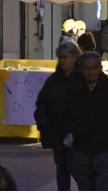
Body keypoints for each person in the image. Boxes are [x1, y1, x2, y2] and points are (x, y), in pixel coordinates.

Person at [66, 52, 108, 190]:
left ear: (100, 68)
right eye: (87, 68)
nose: (91, 72)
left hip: (106, 148)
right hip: (81, 148)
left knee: (103, 186)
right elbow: (66, 116)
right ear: (81, 68)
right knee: (85, 186)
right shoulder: (73, 89)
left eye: (95, 68)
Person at [35, 42, 83, 191]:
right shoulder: (53, 81)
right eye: (60, 57)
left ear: (75, 57)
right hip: (57, 133)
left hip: (78, 134)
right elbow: (41, 103)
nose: (62, 60)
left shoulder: (82, 79)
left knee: (78, 170)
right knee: (62, 169)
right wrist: (44, 124)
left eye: (65, 57)